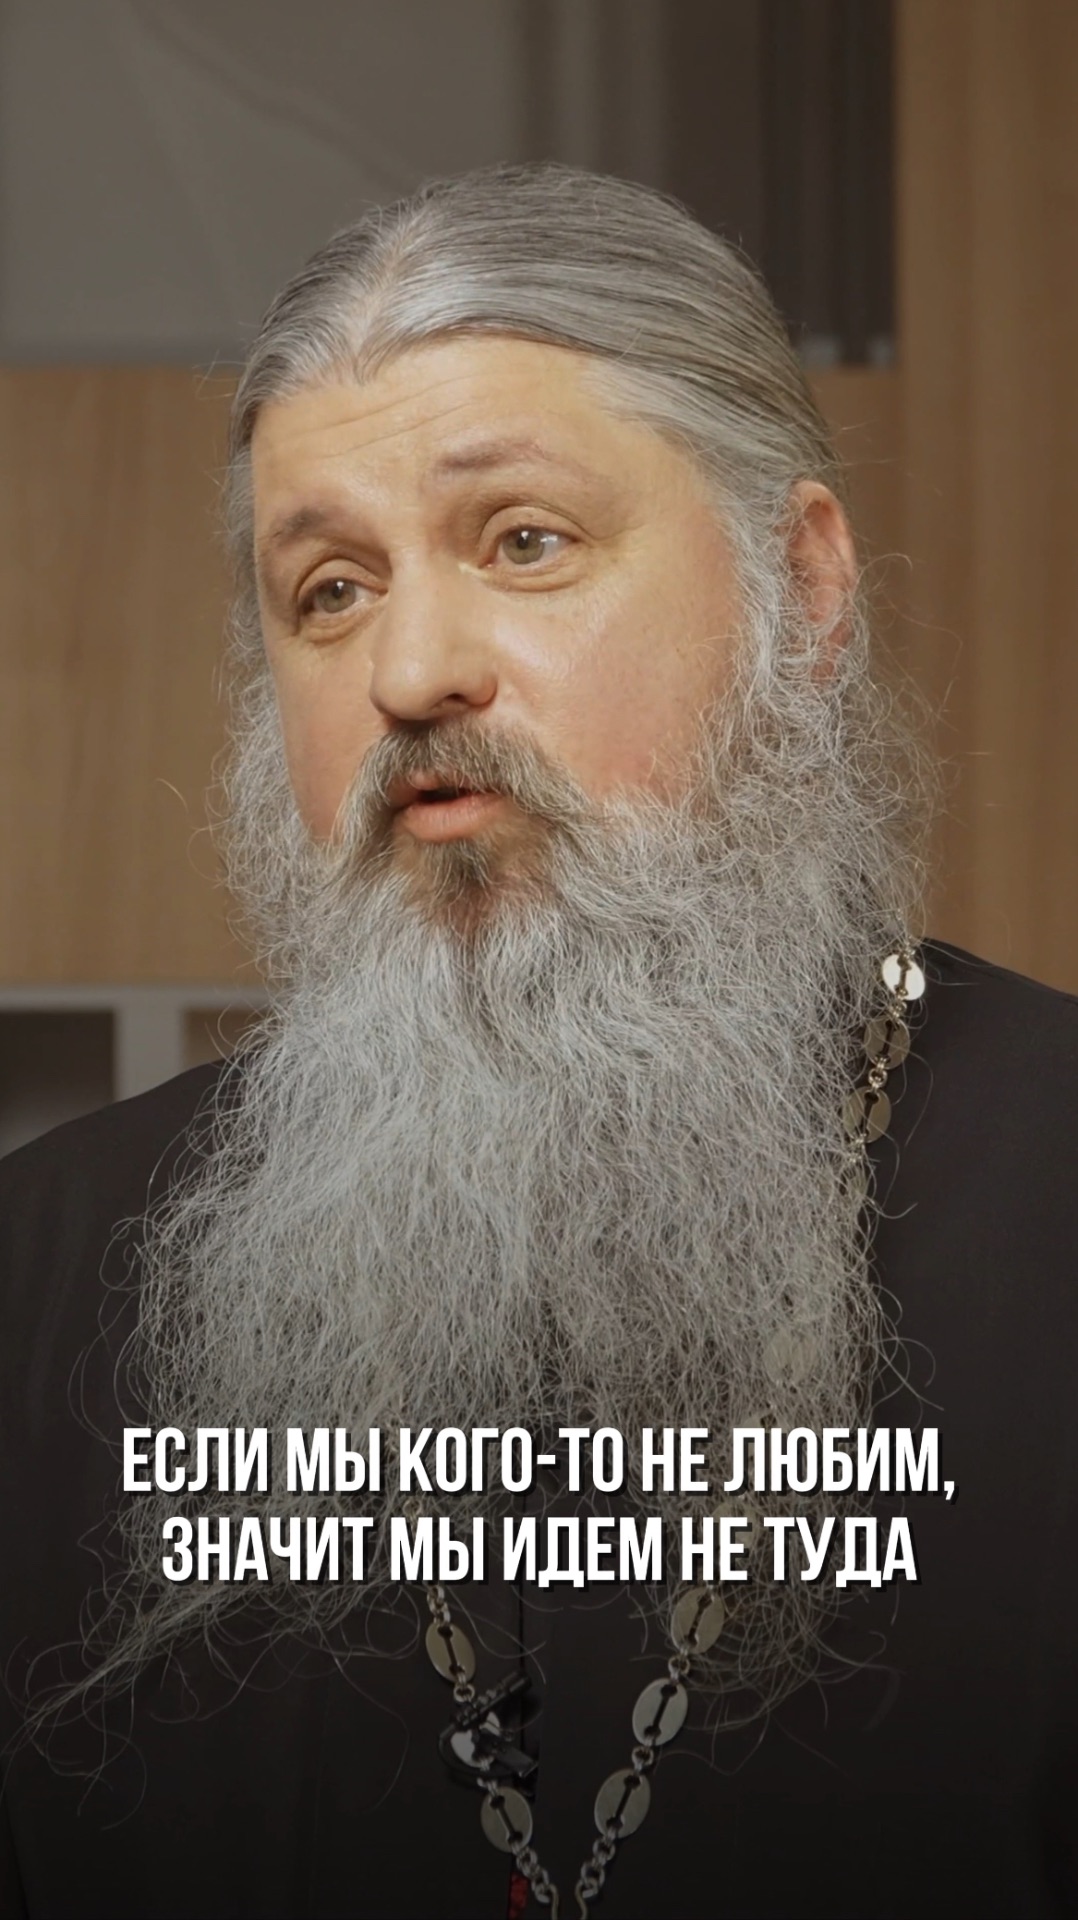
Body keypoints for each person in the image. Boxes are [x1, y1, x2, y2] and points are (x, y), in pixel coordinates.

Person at [1, 164, 1075, 1920]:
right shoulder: (38, 1279)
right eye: (328, 590)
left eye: (522, 541)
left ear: (801, 592)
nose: (409, 671)